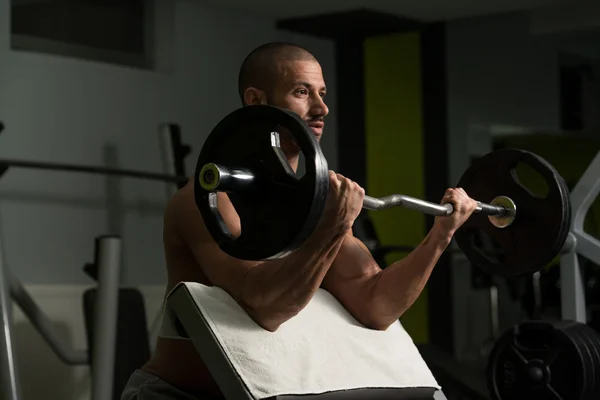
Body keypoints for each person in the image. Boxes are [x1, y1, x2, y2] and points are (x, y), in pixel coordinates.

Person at [121, 42, 478, 400]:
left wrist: (441, 235)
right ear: (256, 101)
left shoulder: (316, 206)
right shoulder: (207, 200)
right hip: (178, 395)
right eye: (302, 92)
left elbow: (376, 305)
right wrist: (332, 228)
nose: (321, 108)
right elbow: (263, 306)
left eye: (322, 94)